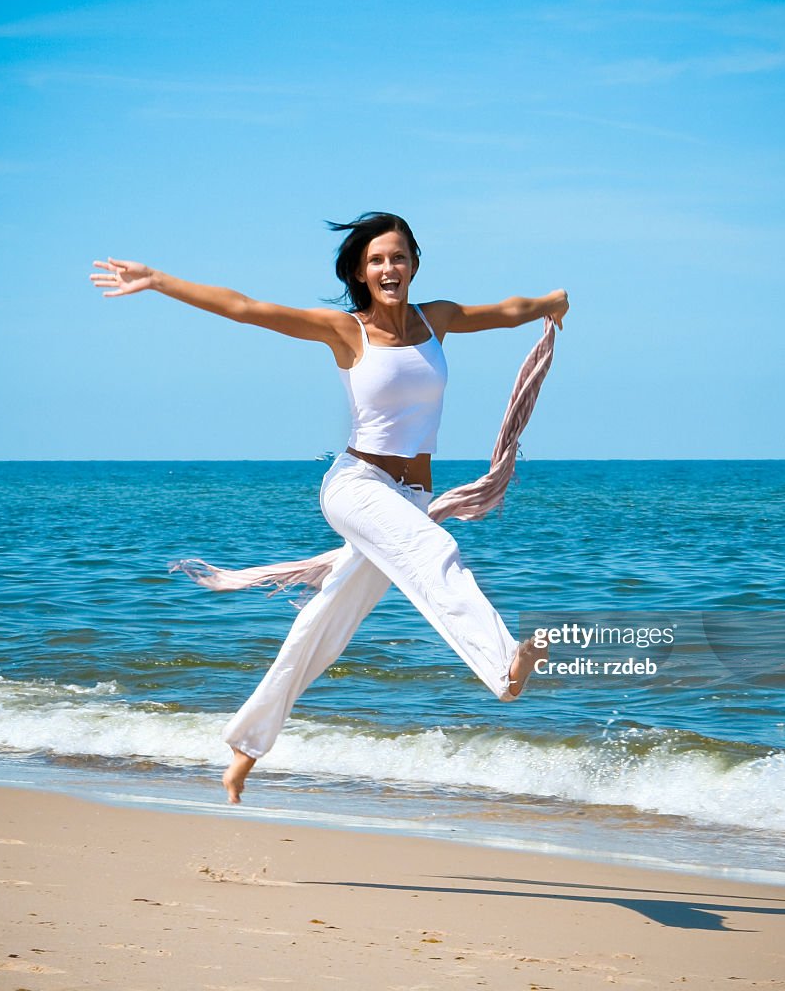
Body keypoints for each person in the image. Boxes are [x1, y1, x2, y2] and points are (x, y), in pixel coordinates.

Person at [90, 212, 568, 803]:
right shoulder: (347, 332)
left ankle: (244, 749)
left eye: (397, 257)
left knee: (324, 624)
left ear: (414, 263)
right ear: (361, 273)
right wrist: (160, 279)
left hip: (410, 497)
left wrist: (552, 300)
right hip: (357, 486)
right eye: (376, 261)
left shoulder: (435, 320)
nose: (387, 268)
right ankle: (505, 668)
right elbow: (245, 307)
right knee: (434, 550)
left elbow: (507, 309)